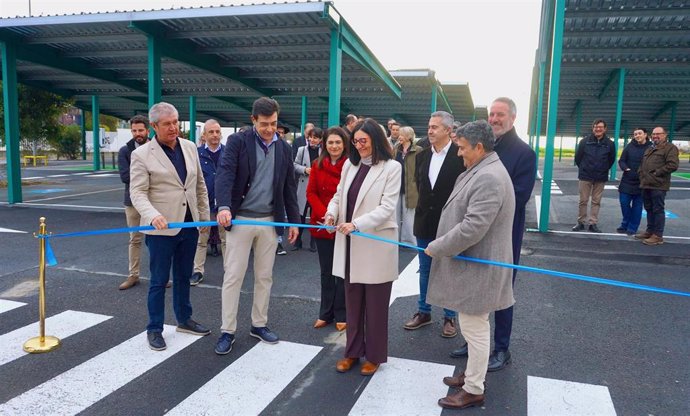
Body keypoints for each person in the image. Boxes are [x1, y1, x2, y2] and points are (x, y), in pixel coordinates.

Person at [426, 120, 515, 410]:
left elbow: (473, 227)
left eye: (462, 148)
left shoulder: (488, 176)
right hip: (475, 265)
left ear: (479, 147)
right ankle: (472, 374)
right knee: (473, 325)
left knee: (475, 328)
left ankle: (474, 388)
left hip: (480, 267)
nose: (458, 153)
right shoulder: (480, 168)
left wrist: (437, 248)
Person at [450, 97, 537, 372]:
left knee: (501, 292)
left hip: (503, 235)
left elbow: (519, 196)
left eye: (500, 114)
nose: (494, 119)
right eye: (491, 114)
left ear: (513, 117)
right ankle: (475, 342)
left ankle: (501, 348)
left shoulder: (524, 153)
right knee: (473, 286)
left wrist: (480, 214)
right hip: (475, 230)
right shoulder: (482, 149)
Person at [214, 97, 300, 355]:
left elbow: (288, 188)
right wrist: (224, 206)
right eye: (264, 124)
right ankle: (227, 330)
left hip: (269, 221)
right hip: (240, 219)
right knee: (233, 276)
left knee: (265, 276)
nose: (269, 129)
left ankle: (258, 324)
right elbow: (225, 173)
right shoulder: (238, 142)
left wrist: (293, 221)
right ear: (253, 121)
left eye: (273, 123)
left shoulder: (284, 149)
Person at [129, 102, 211, 351]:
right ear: (154, 126)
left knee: (184, 275)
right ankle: (154, 328)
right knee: (159, 280)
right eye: (167, 124)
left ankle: (184, 319)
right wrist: (153, 215)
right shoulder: (141, 155)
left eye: (176, 122)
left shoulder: (189, 148)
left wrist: (205, 218)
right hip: (160, 228)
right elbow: (138, 192)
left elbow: (199, 186)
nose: (174, 127)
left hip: (189, 224)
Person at [326, 118, 401, 376]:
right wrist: (330, 214)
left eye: (363, 141)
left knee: (377, 307)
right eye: (355, 141)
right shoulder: (350, 164)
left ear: (375, 140)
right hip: (350, 244)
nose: (359, 146)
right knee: (353, 303)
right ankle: (352, 352)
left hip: (375, 245)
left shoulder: (392, 168)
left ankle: (375, 355)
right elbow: (338, 196)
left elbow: (387, 208)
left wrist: (356, 224)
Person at [404, 111, 465, 338]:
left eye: (435, 127)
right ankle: (424, 311)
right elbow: (421, 189)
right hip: (425, 223)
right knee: (425, 270)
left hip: (450, 224)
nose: (430, 131)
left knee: (449, 270)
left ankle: (450, 316)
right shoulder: (421, 157)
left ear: (449, 131)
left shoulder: (460, 157)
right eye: (429, 126)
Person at [307, 126, 349, 331]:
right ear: (325, 144)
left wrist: (337, 217)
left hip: (343, 224)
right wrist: (325, 215)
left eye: (338, 142)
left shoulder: (351, 166)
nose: (334, 146)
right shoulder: (317, 164)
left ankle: (342, 313)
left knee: (341, 271)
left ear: (344, 144)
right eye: (330, 142)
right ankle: (325, 312)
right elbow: (311, 193)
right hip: (322, 223)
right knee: (326, 271)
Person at [190, 119, 226, 286]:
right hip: (204, 205)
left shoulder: (228, 153)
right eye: (211, 132)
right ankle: (198, 271)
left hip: (224, 206)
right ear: (204, 135)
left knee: (227, 240)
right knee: (201, 240)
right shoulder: (196, 154)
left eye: (217, 132)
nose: (215, 135)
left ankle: (229, 271)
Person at [117, 115, 150, 290]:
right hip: (132, 202)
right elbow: (125, 177)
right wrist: (150, 175)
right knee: (135, 239)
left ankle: (160, 276)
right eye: (134, 130)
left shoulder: (157, 147)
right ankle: (133, 275)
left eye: (141, 130)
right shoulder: (125, 151)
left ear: (148, 130)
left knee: (156, 239)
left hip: (155, 202)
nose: (138, 133)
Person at [635, 126, 679, 245]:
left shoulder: (670, 148)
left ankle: (658, 235)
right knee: (649, 209)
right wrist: (641, 173)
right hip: (646, 184)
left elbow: (673, 165)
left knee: (658, 209)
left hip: (658, 185)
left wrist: (656, 173)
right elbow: (643, 164)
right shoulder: (650, 148)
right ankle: (650, 231)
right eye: (654, 134)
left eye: (658, 134)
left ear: (665, 135)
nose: (655, 136)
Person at [573, 119, 615, 233]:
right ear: (593, 128)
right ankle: (581, 222)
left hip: (600, 177)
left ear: (605, 129)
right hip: (585, 176)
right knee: (583, 200)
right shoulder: (584, 142)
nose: (598, 129)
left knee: (596, 201)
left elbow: (611, 159)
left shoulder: (609, 144)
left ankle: (593, 223)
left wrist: (603, 169)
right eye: (596, 127)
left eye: (600, 127)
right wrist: (584, 168)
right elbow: (578, 158)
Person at [617, 127, 652, 236]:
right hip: (627, 180)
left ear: (645, 134)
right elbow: (622, 160)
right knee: (624, 203)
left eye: (639, 133)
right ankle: (625, 223)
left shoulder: (651, 148)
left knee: (637, 206)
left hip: (642, 182)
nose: (637, 135)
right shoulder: (629, 147)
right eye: (635, 134)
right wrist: (626, 168)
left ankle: (632, 227)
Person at [293, 127, 323, 252]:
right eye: (310, 137)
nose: (312, 140)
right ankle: (297, 242)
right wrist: (305, 170)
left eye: (315, 137)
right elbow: (294, 165)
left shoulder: (324, 151)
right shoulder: (301, 150)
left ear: (320, 139)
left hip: (317, 188)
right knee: (300, 214)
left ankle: (313, 243)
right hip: (304, 186)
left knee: (315, 216)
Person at [394, 126, 421, 246]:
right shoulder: (395, 149)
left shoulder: (418, 150)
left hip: (411, 188)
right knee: (395, 215)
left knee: (409, 216)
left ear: (409, 136)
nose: (399, 137)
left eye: (402, 135)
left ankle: (408, 241)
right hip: (396, 187)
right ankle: (395, 239)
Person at [275, 121, 291, 256]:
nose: (280, 134)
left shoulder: (286, 148)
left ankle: (279, 242)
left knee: (279, 216)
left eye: (282, 133)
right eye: (278, 132)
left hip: (281, 190)